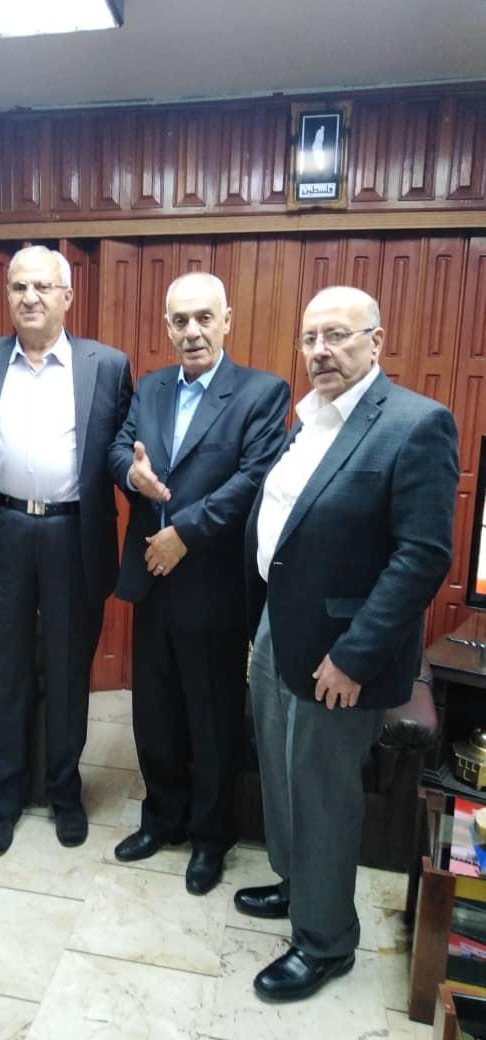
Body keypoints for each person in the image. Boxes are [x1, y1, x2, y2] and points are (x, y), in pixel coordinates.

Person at [235, 286, 459, 1000]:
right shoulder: (308, 419)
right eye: (310, 338)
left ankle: (326, 941)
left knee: (323, 792)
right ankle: (300, 886)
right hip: (279, 626)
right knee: (281, 771)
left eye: (337, 335)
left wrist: (355, 656)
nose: (320, 350)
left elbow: (422, 557)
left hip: (342, 653)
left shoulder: (415, 424)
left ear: (376, 341)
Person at [108, 272, 290, 895]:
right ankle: (162, 818)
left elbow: (254, 478)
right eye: (181, 320)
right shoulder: (152, 387)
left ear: (226, 321)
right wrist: (132, 477)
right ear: (167, 327)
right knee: (154, 712)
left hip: (212, 585)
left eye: (204, 318)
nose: (192, 331)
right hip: (151, 580)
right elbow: (118, 449)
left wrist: (184, 533)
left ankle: (211, 837)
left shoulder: (262, 392)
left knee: (211, 718)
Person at [0, 245, 132, 856]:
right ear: (7, 295)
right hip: (4, 531)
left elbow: (125, 448)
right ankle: (5, 797)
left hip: (72, 535)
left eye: (42, 287)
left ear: (67, 296)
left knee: (67, 672)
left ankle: (63, 791)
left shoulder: (107, 366)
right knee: (5, 670)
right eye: (18, 287)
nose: (29, 297)